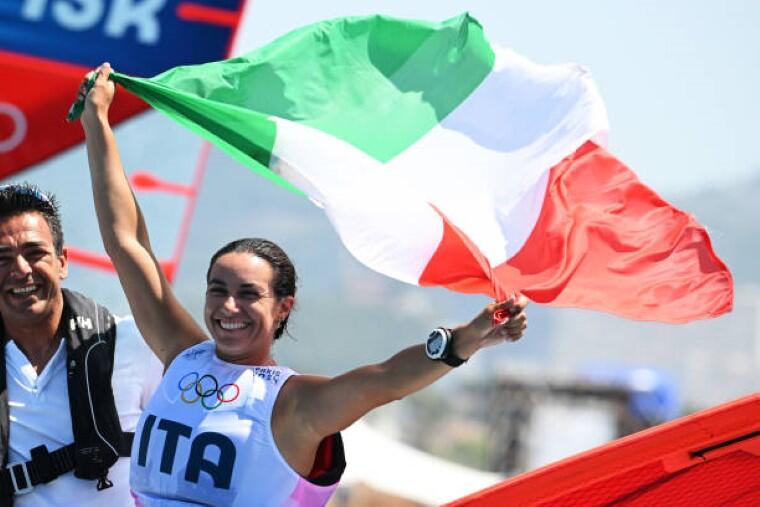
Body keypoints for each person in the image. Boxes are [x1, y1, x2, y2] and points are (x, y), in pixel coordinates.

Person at [80, 63, 529, 507]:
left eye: (249, 294)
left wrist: (464, 341)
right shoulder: (182, 355)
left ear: (284, 307)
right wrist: (96, 122)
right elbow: (126, 242)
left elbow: (386, 380)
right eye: (218, 289)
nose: (229, 305)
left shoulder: (295, 404)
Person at [0, 182, 163, 507]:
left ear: (62, 262)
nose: (21, 270)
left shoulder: (132, 343)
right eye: (2, 259)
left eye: (35, 253)